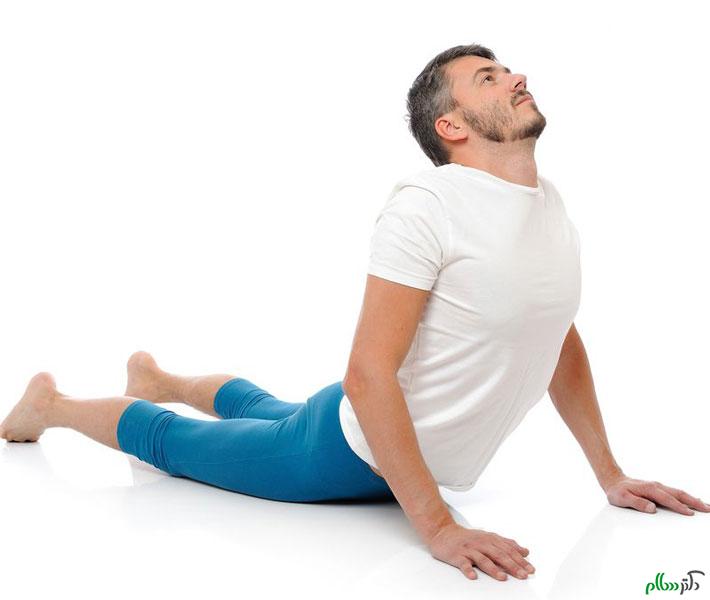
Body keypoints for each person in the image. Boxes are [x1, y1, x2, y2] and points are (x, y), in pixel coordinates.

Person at [2, 42, 708, 584]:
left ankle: (159, 379)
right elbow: (369, 374)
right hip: (346, 454)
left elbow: (554, 336)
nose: (516, 77)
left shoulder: (548, 204)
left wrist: (610, 475)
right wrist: (438, 527)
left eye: (506, 70)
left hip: (368, 423)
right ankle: (53, 406)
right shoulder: (427, 207)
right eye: (488, 78)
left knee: (267, 409)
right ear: (451, 125)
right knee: (173, 445)